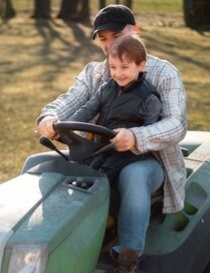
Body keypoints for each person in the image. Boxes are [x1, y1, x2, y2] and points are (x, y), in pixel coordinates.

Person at [36, 4, 187, 273]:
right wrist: (48, 118)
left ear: (134, 31)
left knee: (132, 175)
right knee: (39, 163)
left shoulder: (164, 73)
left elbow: (177, 124)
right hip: (100, 154)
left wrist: (136, 136)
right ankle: (37, 245)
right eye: (102, 38)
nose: (109, 44)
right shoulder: (96, 73)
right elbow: (70, 101)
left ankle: (125, 270)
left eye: (115, 35)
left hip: (149, 161)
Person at [65, 34, 161, 184]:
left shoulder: (149, 98)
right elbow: (88, 110)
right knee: (81, 170)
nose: (118, 73)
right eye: (113, 67)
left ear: (141, 65)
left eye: (124, 67)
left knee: (99, 179)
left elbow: (150, 133)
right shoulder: (106, 88)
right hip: (103, 148)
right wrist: (67, 126)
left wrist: (134, 140)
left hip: (129, 153)